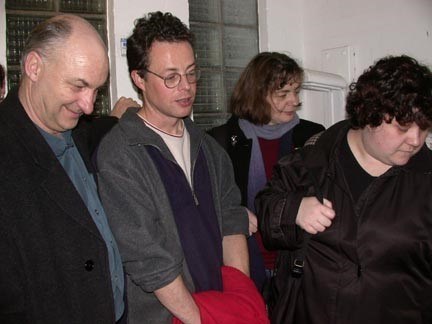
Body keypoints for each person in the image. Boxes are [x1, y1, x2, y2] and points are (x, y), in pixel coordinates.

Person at [96, 11, 262, 324]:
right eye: (171, 77)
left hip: (219, 310)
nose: (186, 87)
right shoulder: (120, 154)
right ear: (139, 79)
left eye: (191, 73)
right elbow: (149, 260)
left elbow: (231, 223)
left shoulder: (211, 149)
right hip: (167, 317)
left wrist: (237, 303)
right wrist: (200, 320)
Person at [256, 55, 432, 323]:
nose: (416, 140)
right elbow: (266, 219)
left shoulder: (425, 179)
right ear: (370, 115)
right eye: (403, 127)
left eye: (425, 127)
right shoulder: (309, 162)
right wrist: (294, 210)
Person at [0, 15, 126, 323]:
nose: (88, 105)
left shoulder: (79, 132)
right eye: (78, 85)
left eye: (97, 90)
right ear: (34, 67)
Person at [208, 52, 325, 295]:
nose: (294, 101)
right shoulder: (219, 141)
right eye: (283, 94)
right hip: (242, 262)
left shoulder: (312, 136)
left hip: (298, 264)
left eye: (296, 91)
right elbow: (203, 205)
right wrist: (233, 212)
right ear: (257, 95)